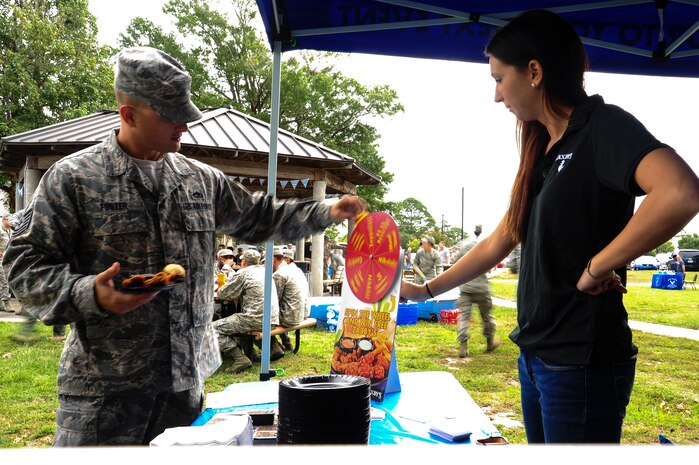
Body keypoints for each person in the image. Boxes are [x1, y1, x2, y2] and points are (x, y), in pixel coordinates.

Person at [2, 46, 365, 447]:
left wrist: (328, 210)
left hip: (185, 389)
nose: (185, 126)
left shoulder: (201, 180)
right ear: (129, 114)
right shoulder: (73, 178)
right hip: (105, 394)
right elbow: (24, 265)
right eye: (171, 116)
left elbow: (261, 217)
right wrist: (90, 294)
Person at [401, 10, 699, 444]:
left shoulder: (602, 125)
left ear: (535, 72)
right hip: (536, 354)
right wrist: (424, 290)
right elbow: (502, 238)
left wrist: (600, 265)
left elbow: (679, 192)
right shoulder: (544, 147)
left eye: (499, 79)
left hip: (581, 361)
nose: (497, 96)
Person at [214, 249, 284, 373]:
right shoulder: (266, 271)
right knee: (239, 319)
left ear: (244, 262)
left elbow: (223, 293)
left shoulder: (243, 273)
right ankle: (253, 354)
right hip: (272, 319)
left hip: (254, 319)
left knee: (211, 329)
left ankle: (240, 358)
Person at [453, 225, 499, 358]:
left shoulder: (463, 245)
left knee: (463, 316)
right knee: (487, 316)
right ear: (481, 231)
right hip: (481, 287)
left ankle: (463, 346)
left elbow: (456, 263)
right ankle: (490, 341)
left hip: (465, 286)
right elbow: (490, 265)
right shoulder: (483, 244)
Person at [272, 247, 311, 351]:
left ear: (273, 260)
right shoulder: (297, 270)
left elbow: (274, 301)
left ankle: (274, 347)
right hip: (303, 312)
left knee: (258, 316)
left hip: (290, 317)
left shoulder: (278, 274)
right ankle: (286, 343)